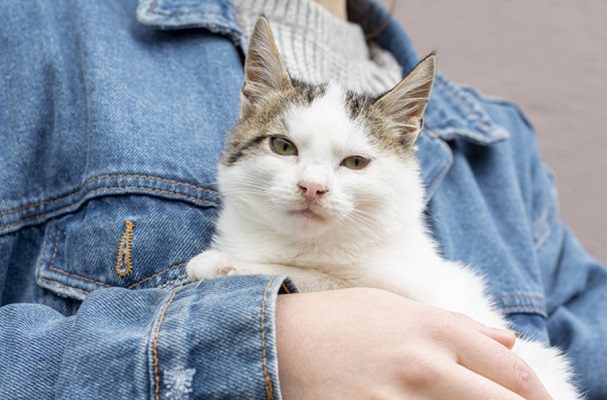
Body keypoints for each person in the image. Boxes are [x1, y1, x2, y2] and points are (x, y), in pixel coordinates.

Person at [0, 0, 605, 398]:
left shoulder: (498, 142)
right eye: (285, 147)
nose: (314, 183)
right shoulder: (36, 29)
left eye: (356, 162)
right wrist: (257, 346)